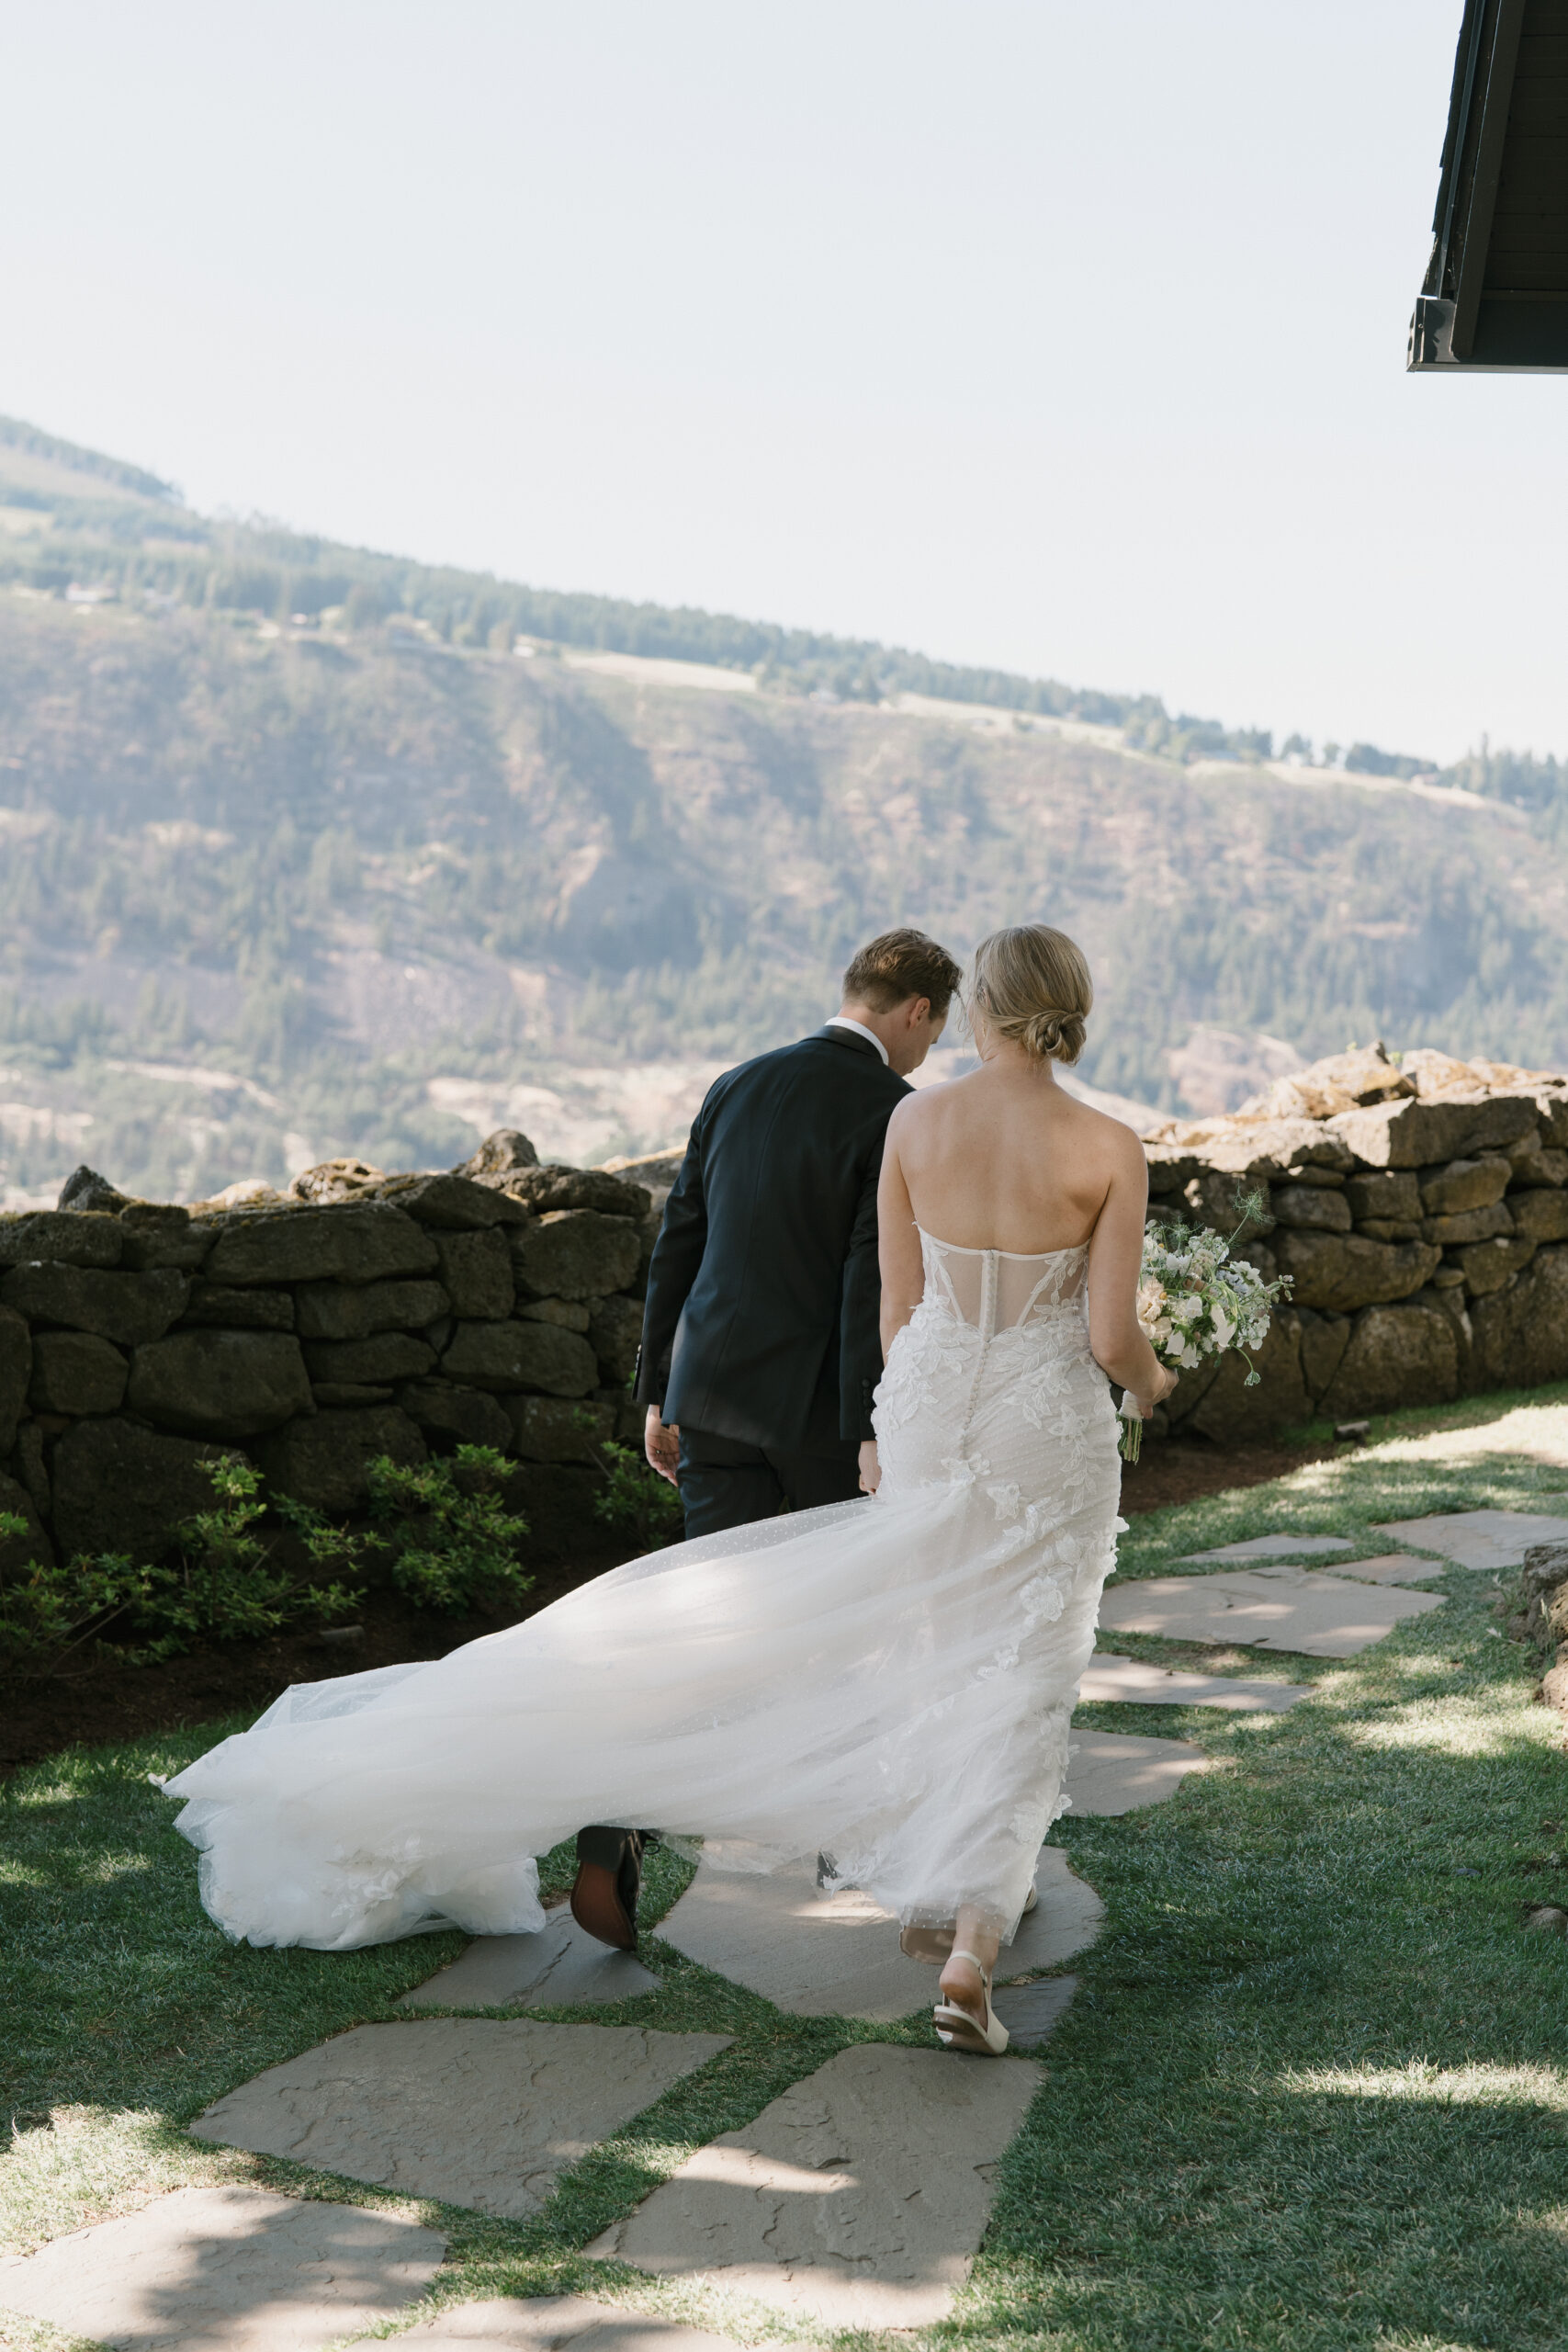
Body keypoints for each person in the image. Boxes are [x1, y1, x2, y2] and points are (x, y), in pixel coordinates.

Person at [161, 922, 1175, 2060]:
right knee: (992, 1660)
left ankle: (693, 1801)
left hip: (833, 1400)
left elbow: (850, 1295)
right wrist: (1149, 1379)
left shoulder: (860, 1109)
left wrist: (702, 1396)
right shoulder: (1105, 1144)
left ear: (976, 1007)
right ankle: (967, 1913)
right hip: (986, 1424)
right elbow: (1088, 1330)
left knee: (771, 1623)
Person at [569, 930, 961, 1951]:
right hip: (822, 1414)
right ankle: (847, 1839)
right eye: (936, 1026)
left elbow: (679, 1245)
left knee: (713, 1626)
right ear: (915, 1008)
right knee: (844, 1627)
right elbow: (866, 1283)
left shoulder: (736, 1084)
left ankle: (624, 1806)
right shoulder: (895, 1112)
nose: (931, 1047)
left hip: (712, 1401)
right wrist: (875, 1424)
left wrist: (658, 1395)